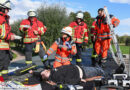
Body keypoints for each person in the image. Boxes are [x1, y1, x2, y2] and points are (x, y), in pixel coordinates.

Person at [29, 65, 104, 86]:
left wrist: (33, 72)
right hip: (84, 72)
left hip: (80, 68)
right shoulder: (55, 77)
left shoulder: (52, 72)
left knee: (97, 69)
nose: (44, 70)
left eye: (44, 70)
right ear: (46, 77)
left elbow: (40, 73)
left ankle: (100, 70)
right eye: (44, 72)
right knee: (99, 72)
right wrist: (79, 80)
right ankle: (106, 75)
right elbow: (67, 81)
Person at [0, 0, 16, 80]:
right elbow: (1, 34)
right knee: (1, 64)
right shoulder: (0, 18)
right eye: (7, 9)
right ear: (2, 8)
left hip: (5, 46)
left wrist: (12, 34)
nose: (8, 10)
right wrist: (9, 37)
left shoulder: (4, 18)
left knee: (5, 64)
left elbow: (6, 31)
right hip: (0, 47)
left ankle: (4, 79)